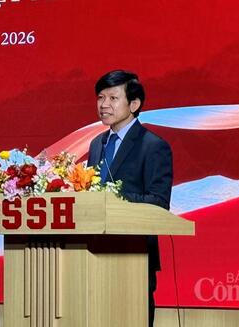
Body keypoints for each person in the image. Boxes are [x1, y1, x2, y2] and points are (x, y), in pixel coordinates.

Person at [86, 70, 173, 327]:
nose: (104, 105)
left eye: (113, 98)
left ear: (134, 104)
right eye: (100, 97)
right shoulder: (96, 144)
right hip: (94, 251)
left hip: (134, 253)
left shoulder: (153, 145)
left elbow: (159, 202)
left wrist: (111, 196)